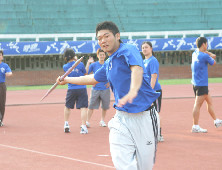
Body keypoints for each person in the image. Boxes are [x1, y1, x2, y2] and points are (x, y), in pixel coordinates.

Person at [57, 21, 160, 170]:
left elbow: (137, 69)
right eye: (99, 38)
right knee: (122, 160)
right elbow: (92, 78)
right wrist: (66, 79)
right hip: (121, 118)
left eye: (106, 36)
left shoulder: (128, 50)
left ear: (117, 36)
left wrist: (133, 90)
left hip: (144, 118)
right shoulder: (109, 62)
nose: (102, 41)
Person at [191, 37, 222, 133]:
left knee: (209, 102)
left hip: (196, 83)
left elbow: (209, 55)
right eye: (207, 44)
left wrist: (208, 53)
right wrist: (210, 54)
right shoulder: (204, 56)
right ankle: (195, 126)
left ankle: (216, 121)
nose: (207, 45)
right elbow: (214, 62)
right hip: (202, 84)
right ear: (204, 44)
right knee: (197, 105)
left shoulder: (195, 53)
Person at [62, 48, 88, 134]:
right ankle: (83, 127)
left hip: (71, 89)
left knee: (67, 106)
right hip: (81, 88)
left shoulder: (65, 67)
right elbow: (85, 73)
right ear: (74, 56)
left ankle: (66, 124)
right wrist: (76, 60)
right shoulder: (80, 64)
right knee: (83, 107)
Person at [142, 41, 164, 142]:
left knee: (155, 112)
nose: (144, 49)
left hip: (154, 91)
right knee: (147, 113)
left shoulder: (153, 61)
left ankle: (158, 133)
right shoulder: (143, 61)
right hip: (146, 92)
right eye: (142, 48)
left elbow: (153, 77)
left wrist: (150, 92)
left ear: (151, 49)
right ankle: (150, 133)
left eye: (146, 47)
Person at [85, 49, 110, 127]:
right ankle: (87, 121)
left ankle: (102, 121)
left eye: (103, 55)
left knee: (104, 106)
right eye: (100, 55)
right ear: (98, 56)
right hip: (95, 89)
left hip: (105, 88)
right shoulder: (94, 65)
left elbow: (112, 73)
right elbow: (86, 73)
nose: (102, 56)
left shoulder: (108, 64)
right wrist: (88, 63)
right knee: (91, 106)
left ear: (105, 56)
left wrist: (110, 82)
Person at [0, 50, 13, 127]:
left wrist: (8, 74)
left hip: (1, 86)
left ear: (2, 57)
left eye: (0, 55)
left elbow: (10, 72)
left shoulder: (5, 66)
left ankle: (0, 120)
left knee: (1, 103)